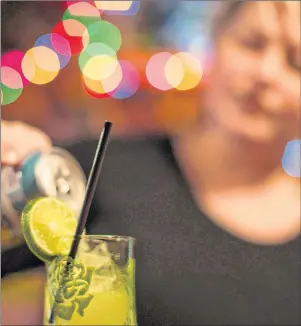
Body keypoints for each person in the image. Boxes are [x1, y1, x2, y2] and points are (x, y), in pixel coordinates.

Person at [2, 1, 300, 325]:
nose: (265, 73)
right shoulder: (92, 173)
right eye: (251, 43)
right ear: (216, 42)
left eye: (296, 63)